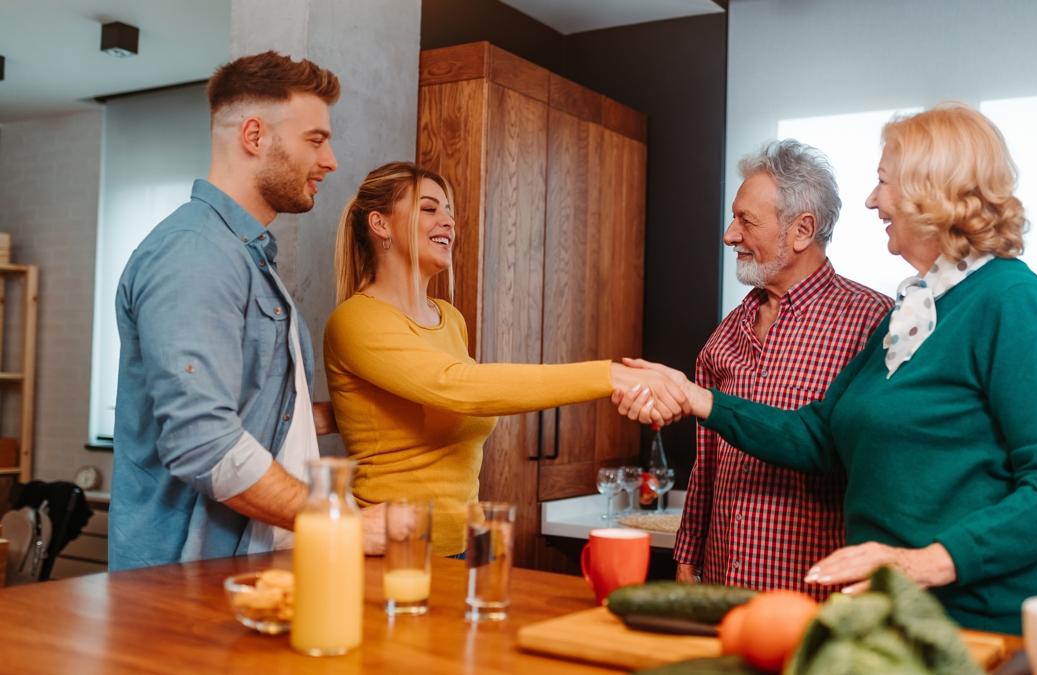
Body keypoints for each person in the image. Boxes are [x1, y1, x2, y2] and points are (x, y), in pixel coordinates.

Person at [619, 103, 1037, 634]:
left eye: (883, 182)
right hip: (890, 620)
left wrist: (919, 563)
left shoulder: (1011, 300)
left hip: (977, 627)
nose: (872, 201)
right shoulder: (910, 313)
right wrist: (696, 397)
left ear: (931, 190)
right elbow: (820, 434)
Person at [324, 162, 687, 557]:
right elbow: (457, 387)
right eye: (429, 209)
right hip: (391, 553)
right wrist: (609, 375)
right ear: (380, 224)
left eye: (449, 210)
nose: (448, 221)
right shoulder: (356, 320)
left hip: (464, 548)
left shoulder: (450, 320)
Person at [110, 51, 384, 571]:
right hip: (186, 589)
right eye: (316, 140)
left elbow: (256, 407)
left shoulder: (244, 255)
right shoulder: (194, 254)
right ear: (254, 137)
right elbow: (203, 442)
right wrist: (343, 523)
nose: (331, 162)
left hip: (248, 572)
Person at [674, 140, 890, 598]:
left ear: (801, 230)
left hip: (821, 602)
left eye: (746, 220)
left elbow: (884, 472)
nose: (729, 235)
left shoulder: (873, 322)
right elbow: (707, 465)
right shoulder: (725, 334)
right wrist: (688, 557)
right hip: (721, 594)